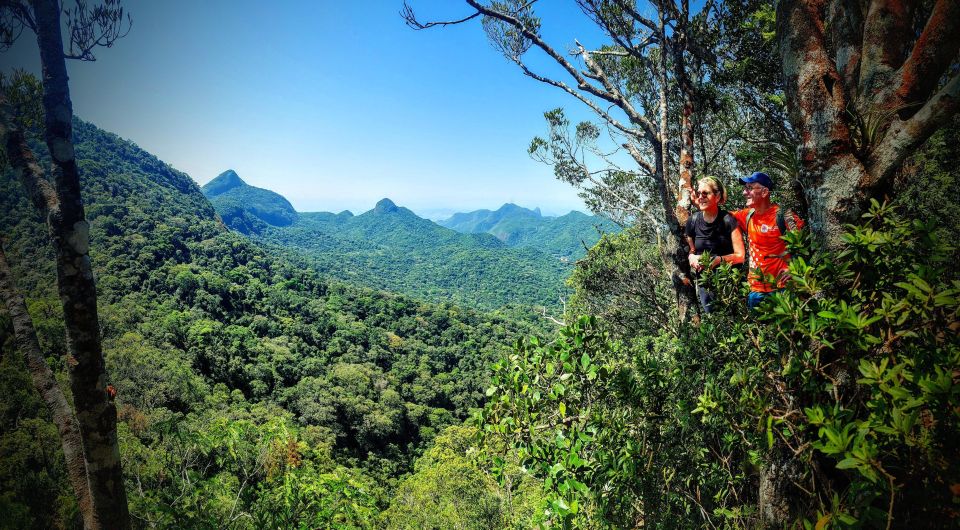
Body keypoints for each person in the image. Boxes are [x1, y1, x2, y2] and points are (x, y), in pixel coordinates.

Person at [731, 171, 805, 310]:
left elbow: (805, 243)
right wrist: (701, 199)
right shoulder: (746, 215)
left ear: (765, 192)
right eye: (745, 188)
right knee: (760, 330)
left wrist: (794, 269)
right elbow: (717, 215)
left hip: (784, 288)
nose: (744, 193)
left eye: (749, 188)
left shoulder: (784, 215)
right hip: (756, 290)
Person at [686, 176, 745, 313]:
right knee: (714, 324)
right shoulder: (692, 221)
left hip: (730, 283)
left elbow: (740, 256)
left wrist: (718, 260)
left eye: (705, 193)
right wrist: (691, 258)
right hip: (705, 286)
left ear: (717, 196)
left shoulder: (728, 220)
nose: (700, 197)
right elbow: (692, 250)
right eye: (699, 193)